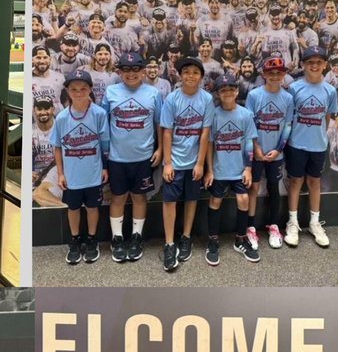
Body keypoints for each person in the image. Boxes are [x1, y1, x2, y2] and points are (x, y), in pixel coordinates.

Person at [102, 51, 162, 263]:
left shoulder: (153, 93)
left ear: (143, 71)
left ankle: (137, 237)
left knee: (139, 197)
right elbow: (103, 123)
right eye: (126, 70)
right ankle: (117, 238)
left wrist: (160, 149)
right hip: (117, 158)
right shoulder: (110, 92)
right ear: (119, 72)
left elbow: (159, 123)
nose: (131, 73)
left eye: (136, 69)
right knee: (118, 197)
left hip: (143, 157)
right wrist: (104, 155)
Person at [160, 57, 214, 273]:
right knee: (170, 202)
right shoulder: (172, 99)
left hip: (194, 162)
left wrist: (200, 164)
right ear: (180, 75)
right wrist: (167, 163)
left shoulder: (207, 99)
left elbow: (205, 133)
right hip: (174, 161)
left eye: (195, 72)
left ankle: (186, 237)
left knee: (192, 199)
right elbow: (167, 131)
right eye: (186, 72)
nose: (190, 76)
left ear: (201, 77)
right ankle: (169, 243)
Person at [51, 68, 109, 266]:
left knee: (93, 208)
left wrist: (105, 168)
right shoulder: (62, 118)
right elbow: (57, 147)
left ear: (90, 90)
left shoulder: (99, 113)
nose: (78, 92)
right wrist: (60, 174)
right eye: (74, 89)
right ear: (67, 91)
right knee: (73, 208)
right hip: (72, 175)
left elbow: (105, 144)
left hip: (93, 173)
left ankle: (92, 240)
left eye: (83, 88)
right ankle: (75, 240)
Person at [285, 48, 338, 248]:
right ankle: (292, 223)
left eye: (318, 62)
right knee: (295, 182)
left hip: (318, 145)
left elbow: (327, 118)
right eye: (310, 62)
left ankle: (314, 223)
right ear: (303, 65)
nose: (314, 66)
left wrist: (318, 136)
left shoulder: (330, 91)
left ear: (325, 65)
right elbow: (289, 117)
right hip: (296, 144)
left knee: (314, 182)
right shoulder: (294, 88)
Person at [204, 73, 259, 266]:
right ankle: (212, 240)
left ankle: (240, 238)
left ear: (237, 91)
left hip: (239, 169)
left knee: (243, 199)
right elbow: (209, 144)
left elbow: (250, 143)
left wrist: (248, 168)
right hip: (219, 169)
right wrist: (209, 170)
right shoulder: (214, 115)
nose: (227, 92)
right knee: (215, 200)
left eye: (231, 89)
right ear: (218, 94)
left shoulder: (245, 114)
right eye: (223, 90)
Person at [245, 57, 294, 250]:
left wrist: (279, 149)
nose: (275, 76)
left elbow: (288, 125)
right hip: (256, 153)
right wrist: (256, 147)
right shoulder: (254, 95)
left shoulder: (288, 98)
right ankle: (250, 227)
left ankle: (274, 226)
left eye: (279, 73)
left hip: (276, 154)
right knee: (254, 188)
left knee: (274, 188)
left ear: (284, 75)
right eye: (271, 73)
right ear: (264, 74)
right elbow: (249, 125)